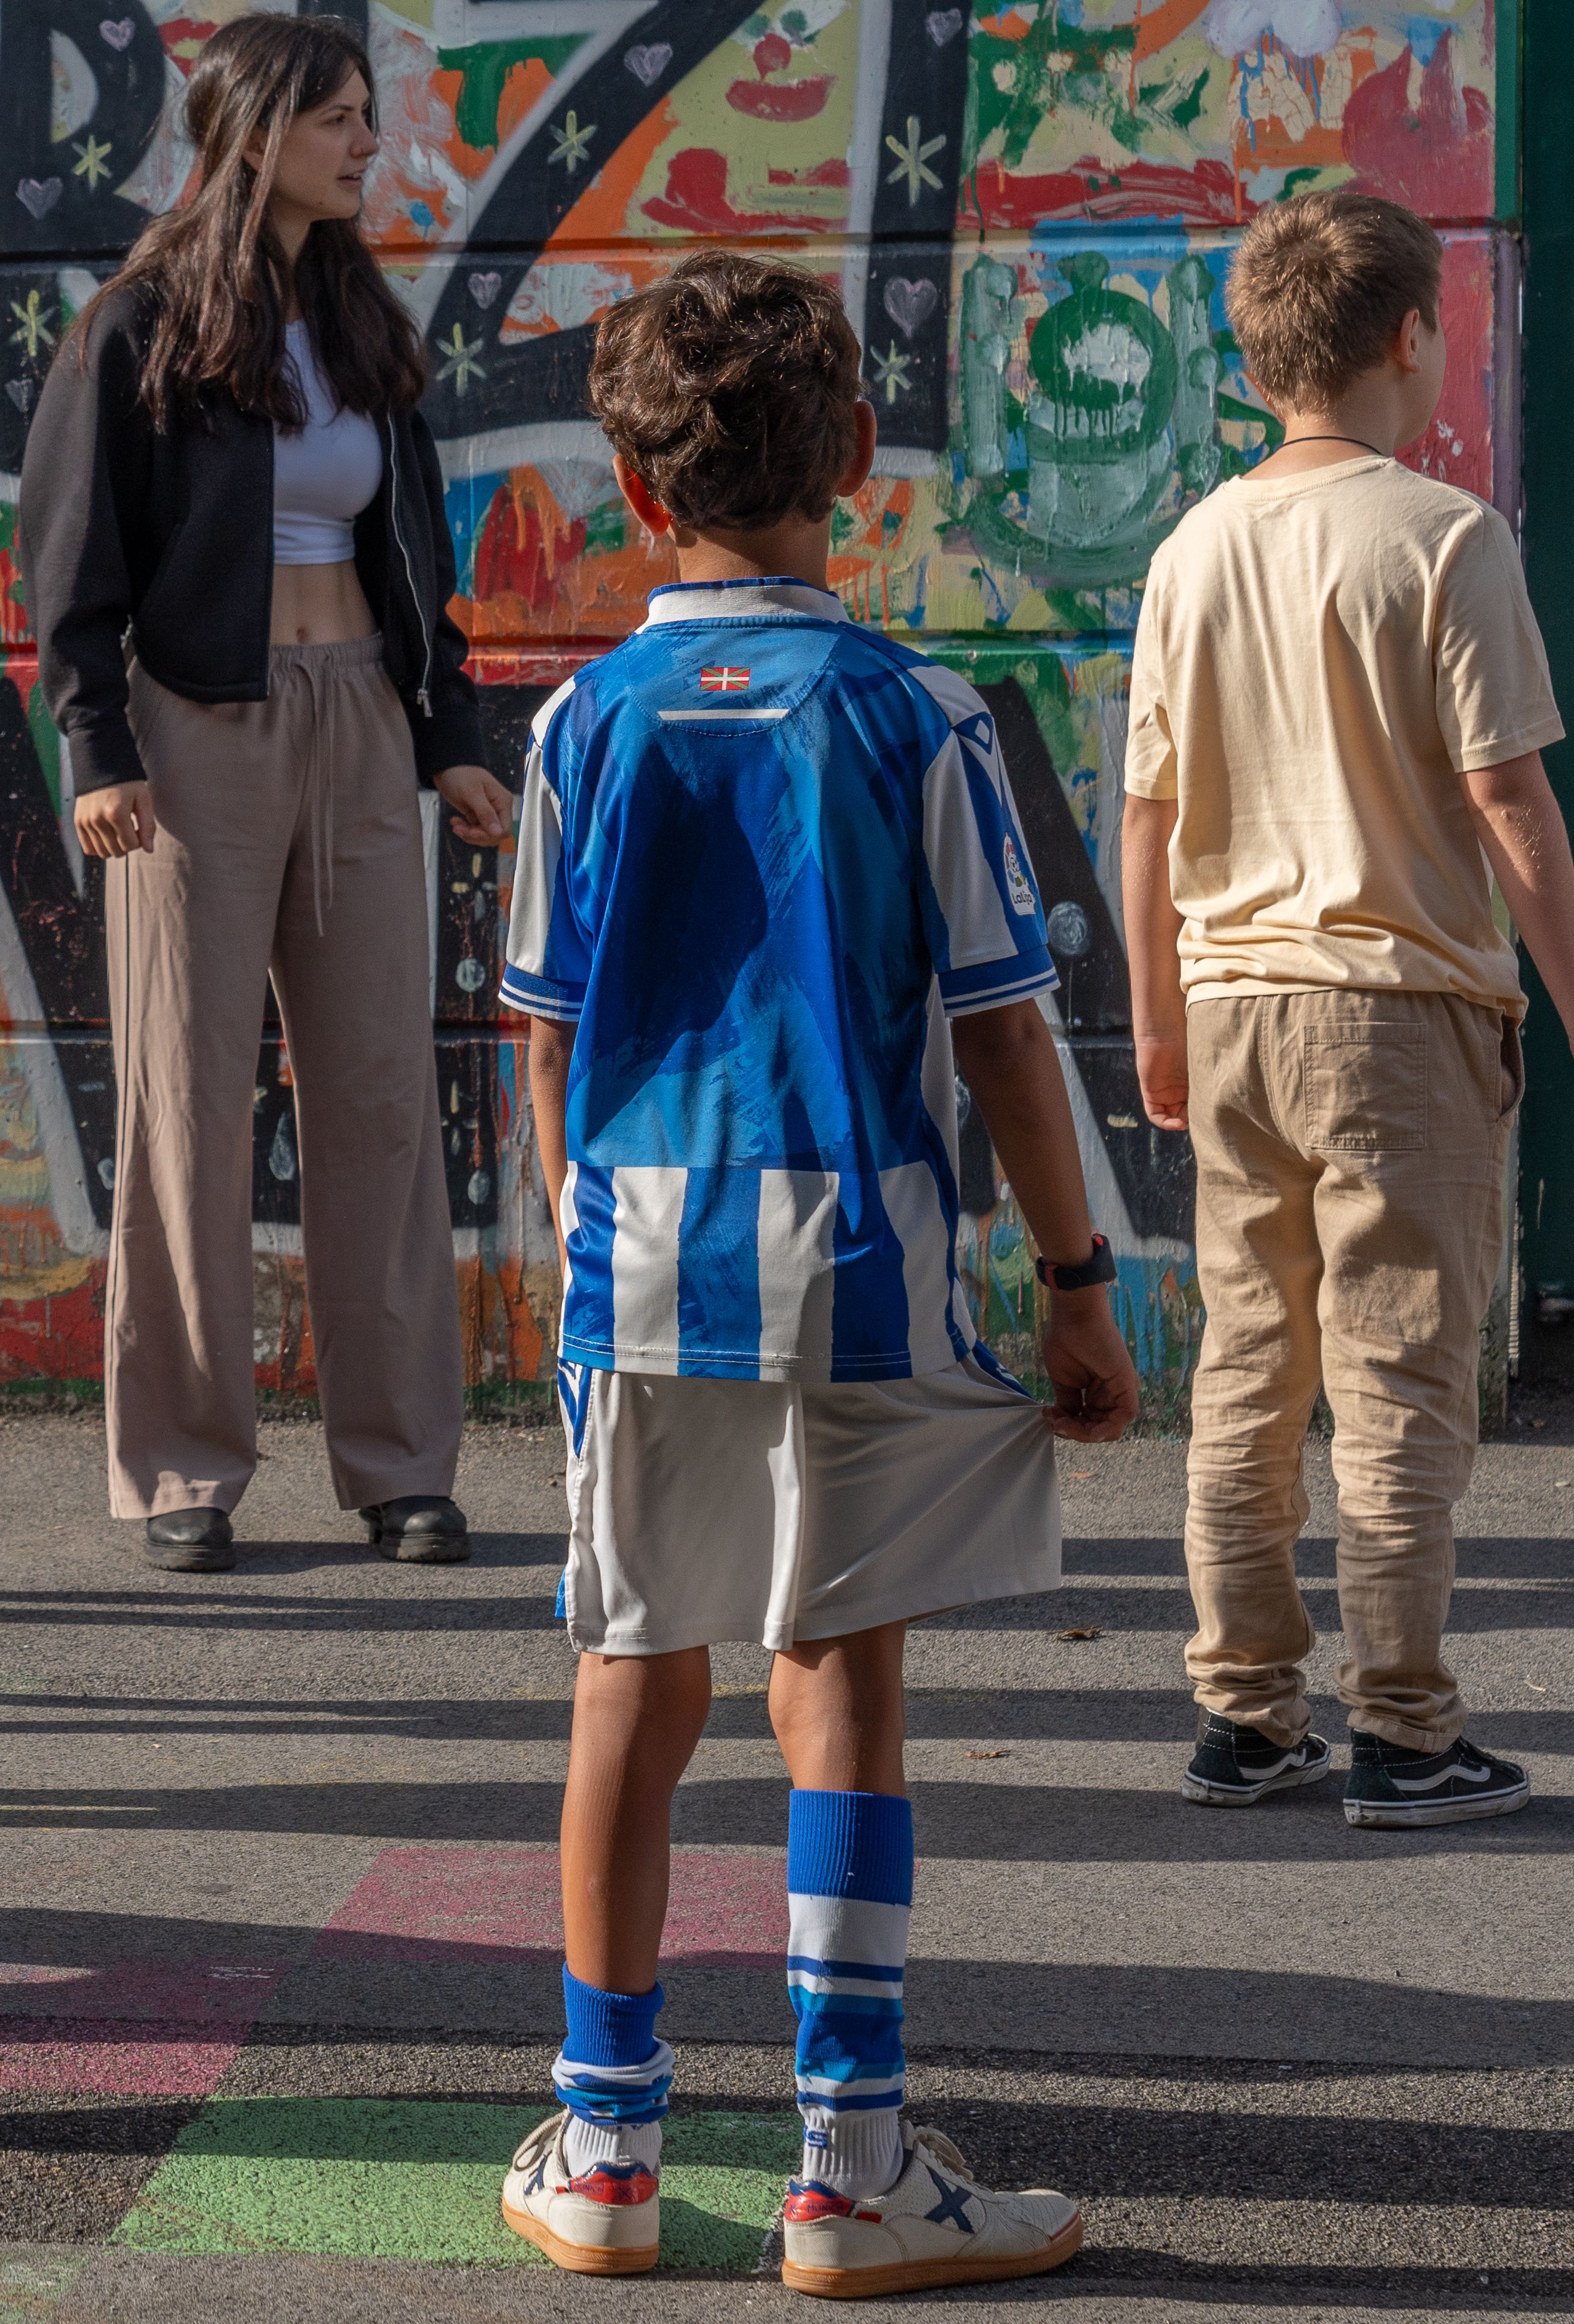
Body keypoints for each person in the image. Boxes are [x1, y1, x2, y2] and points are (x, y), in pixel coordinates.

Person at [493, 255, 1139, 2292]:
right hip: (852, 1248)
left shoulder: (578, 725)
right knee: (835, 1674)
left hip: (640, 1252)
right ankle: (847, 2165)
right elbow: (1006, 1031)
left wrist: (581, 1266)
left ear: (620, 476)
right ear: (851, 460)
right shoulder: (913, 713)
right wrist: (1070, 1276)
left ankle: (600, 2147)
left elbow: (537, 1030)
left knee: (631, 1681)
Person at [1123, 188, 1574, 1830]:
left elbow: (1142, 811)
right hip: (1396, 1007)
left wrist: (1155, 1012)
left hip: (1227, 1005)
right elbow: (1507, 803)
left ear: (1252, 347)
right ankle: (1406, 1727)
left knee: (1245, 1360)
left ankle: (1241, 1711)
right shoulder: (1440, 536)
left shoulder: (1193, 541)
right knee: (1398, 1368)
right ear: (1408, 337)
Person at [16, 10, 509, 1576]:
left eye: (367, 117)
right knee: (186, 1108)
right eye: (340, 120)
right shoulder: (136, 325)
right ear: (253, 134)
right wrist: (96, 750)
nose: (368, 143)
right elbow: (72, 563)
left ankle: (398, 1467)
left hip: (359, 713)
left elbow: (415, 550)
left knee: (378, 1098)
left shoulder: (362, 322)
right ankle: (181, 1469)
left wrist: (450, 734)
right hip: (192, 738)